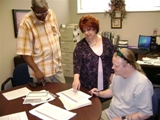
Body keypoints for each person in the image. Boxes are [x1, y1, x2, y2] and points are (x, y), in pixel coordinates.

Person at [90, 48, 153, 120]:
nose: (112, 67)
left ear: (127, 66)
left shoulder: (142, 84)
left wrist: (122, 118)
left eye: (116, 66)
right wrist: (99, 93)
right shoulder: (118, 75)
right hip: (110, 114)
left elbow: (146, 113)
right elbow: (112, 91)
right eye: (113, 64)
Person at [16, 0, 65, 85]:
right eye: (39, 13)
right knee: (46, 97)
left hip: (57, 67)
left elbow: (57, 36)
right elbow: (25, 53)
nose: (43, 15)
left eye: (45, 11)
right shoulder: (26, 23)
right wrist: (36, 71)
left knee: (63, 93)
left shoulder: (51, 13)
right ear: (32, 9)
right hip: (42, 71)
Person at [72, 14, 115, 102]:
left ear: (95, 28)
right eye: (84, 30)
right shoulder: (80, 46)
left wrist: (112, 73)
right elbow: (77, 64)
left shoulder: (106, 42)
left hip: (105, 79)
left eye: (89, 29)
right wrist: (76, 79)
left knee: (102, 100)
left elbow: (113, 58)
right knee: (90, 103)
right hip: (87, 82)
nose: (87, 33)